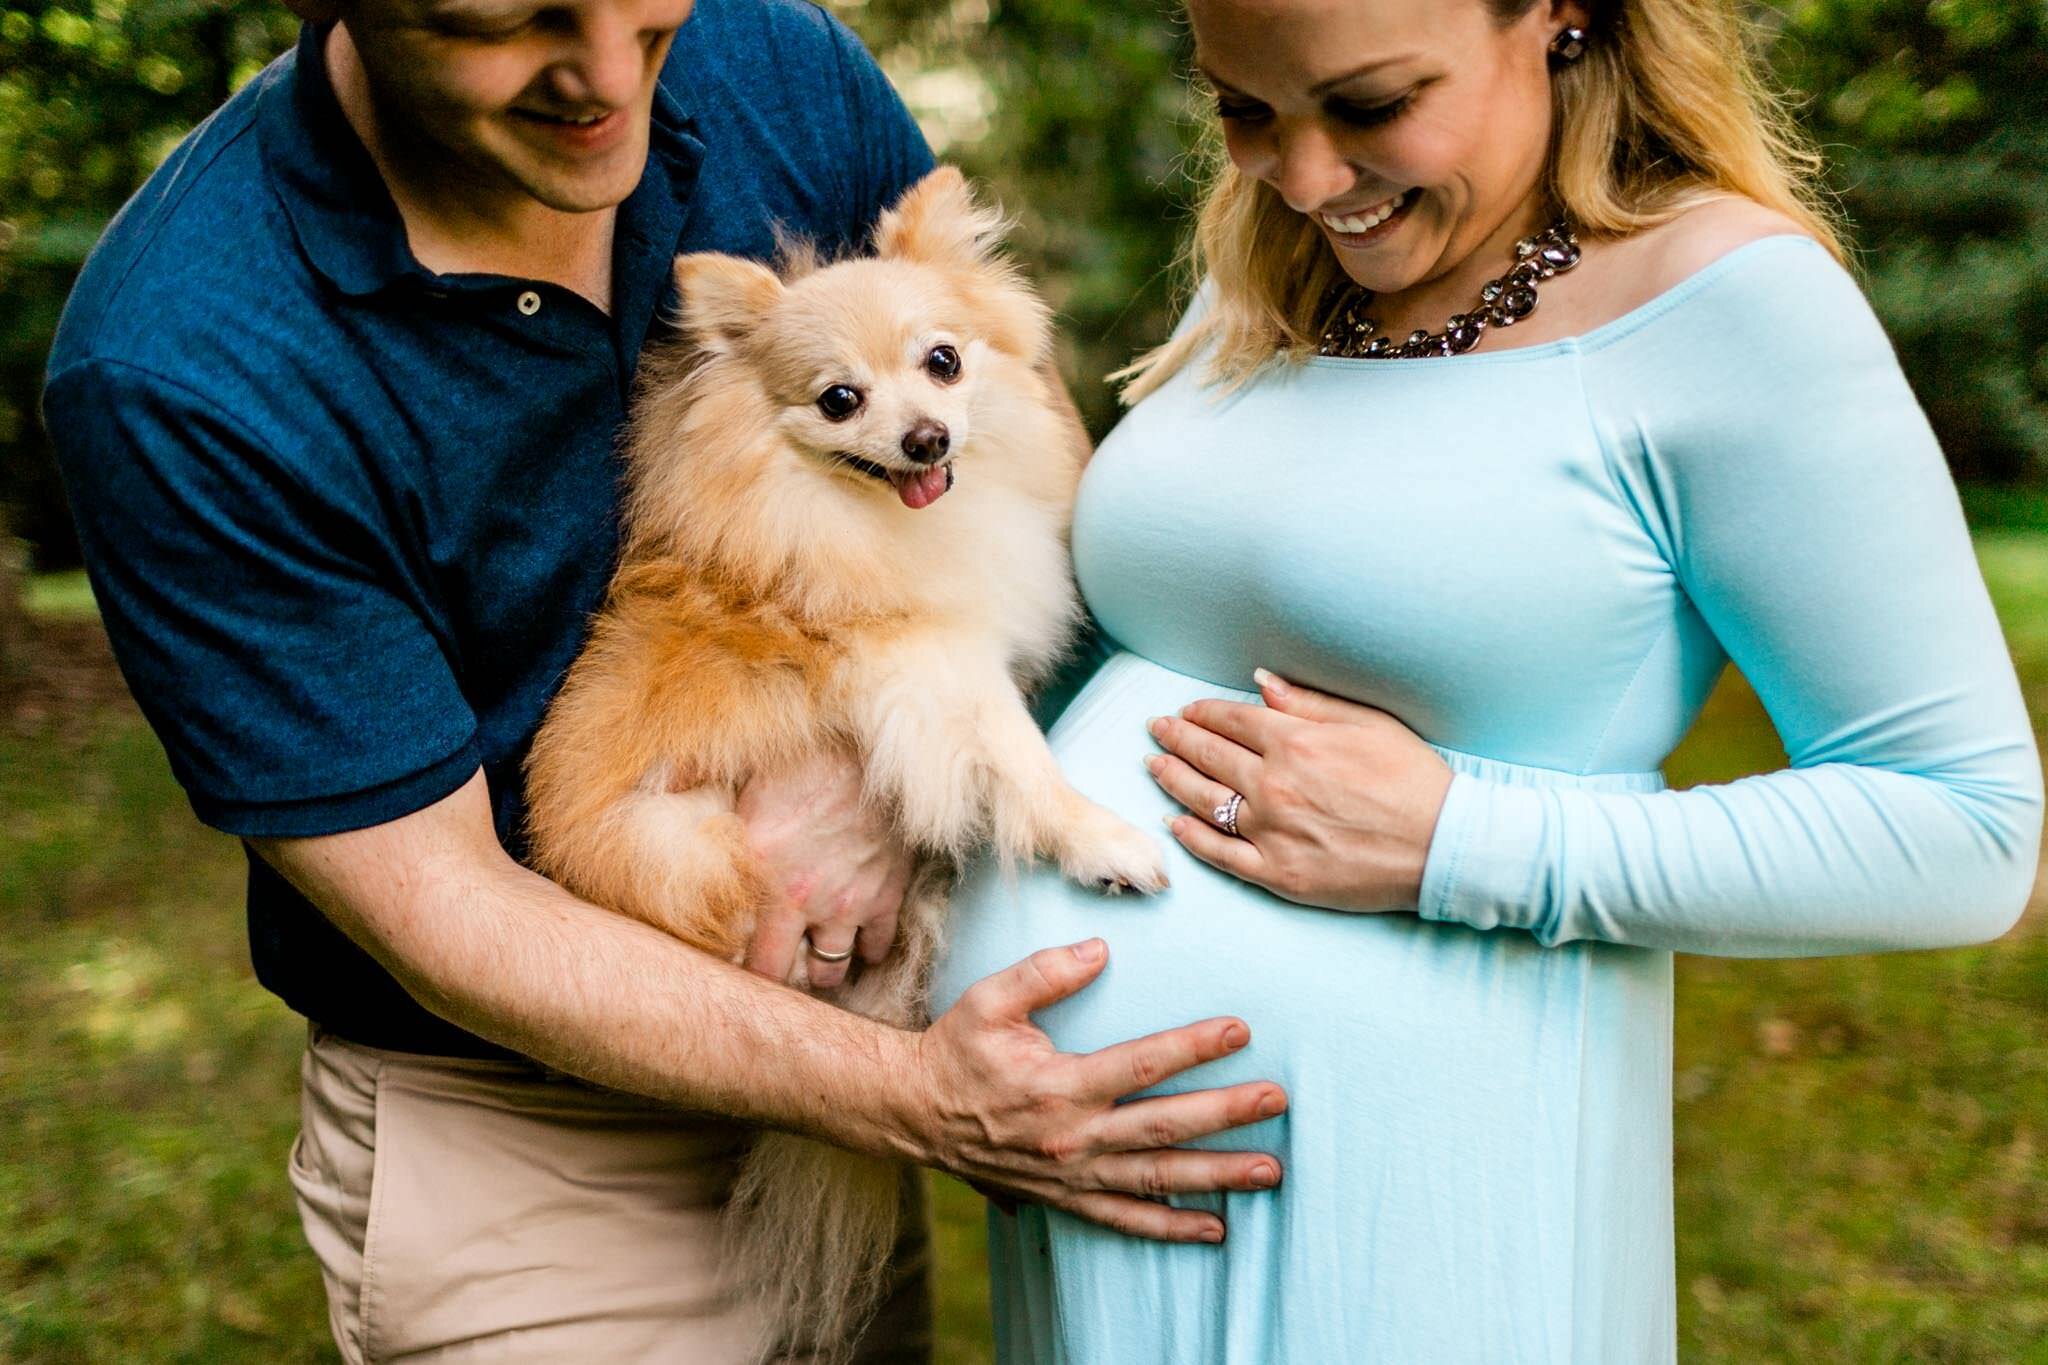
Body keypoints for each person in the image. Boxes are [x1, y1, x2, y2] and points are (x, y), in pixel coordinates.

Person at [40, 0, 1290, 1358]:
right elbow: (443, 909)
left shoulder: (774, 59)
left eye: (642, 12)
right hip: (535, 1140)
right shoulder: (185, 360)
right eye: (509, 23)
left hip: (855, 1034)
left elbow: (1005, 384)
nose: (601, 75)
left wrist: (882, 764)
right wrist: (918, 1092)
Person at [930, 0, 2045, 1359]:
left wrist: (1459, 841)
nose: (1304, 174)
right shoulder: (1286, 259)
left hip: (1422, 1212)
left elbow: (1968, 832)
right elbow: (1150, 635)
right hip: (1098, 1214)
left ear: (1563, 16)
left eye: (1373, 104)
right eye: (1244, 109)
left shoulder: (1731, 304)